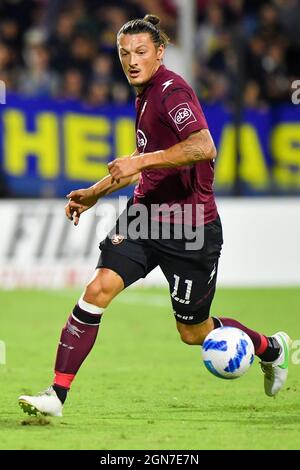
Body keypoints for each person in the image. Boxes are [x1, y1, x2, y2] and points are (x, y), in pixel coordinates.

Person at [19, 14, 291, 417]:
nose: (131, 60)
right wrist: (96, 192)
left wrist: (141, 161)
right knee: (96, 291)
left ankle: (271, 347)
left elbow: (203, 146)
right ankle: (55, 396)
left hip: (191, 230)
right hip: (144, 217)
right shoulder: (143, 93)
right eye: (124, 53)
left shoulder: (171, 92)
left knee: (192, 331)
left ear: (160, 52)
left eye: (141, 52)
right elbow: (144, 159)